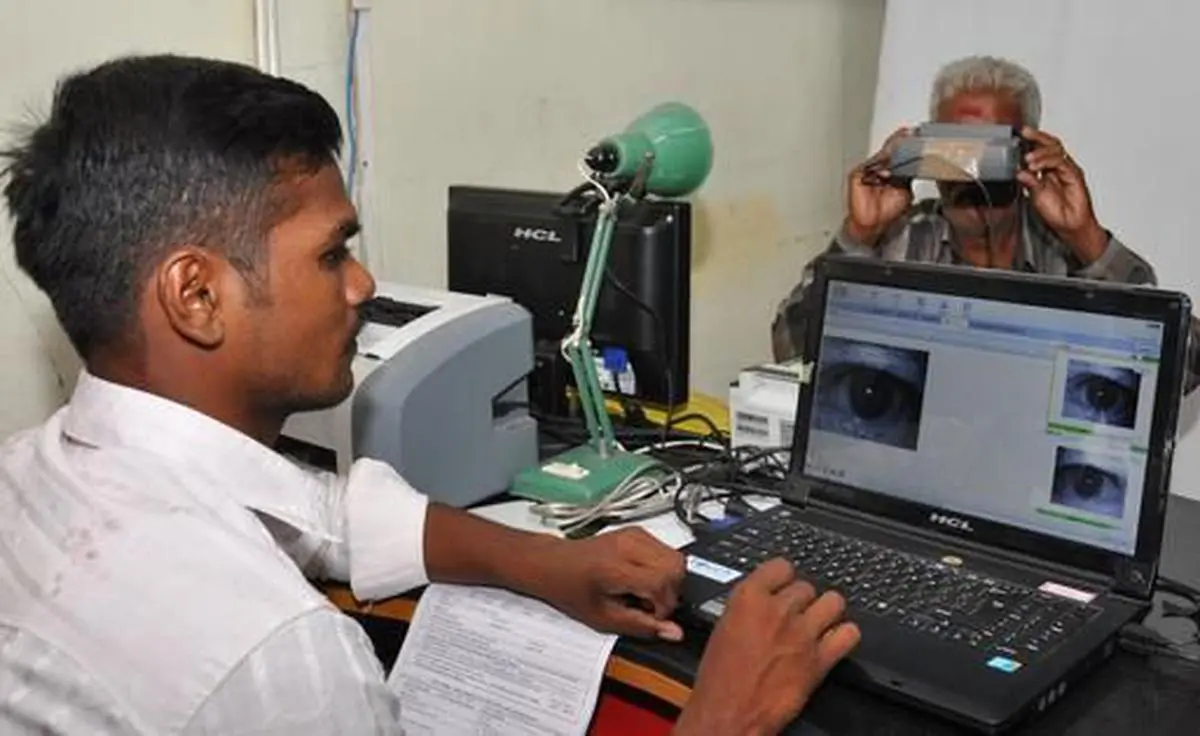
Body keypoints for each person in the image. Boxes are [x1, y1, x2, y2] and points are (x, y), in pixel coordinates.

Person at [0, 55, 860, 735]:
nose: (363, 283)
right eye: (332, 253)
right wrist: (724, 720)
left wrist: (548, 563)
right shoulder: (275, 662)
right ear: (197, 296)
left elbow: (330, 517)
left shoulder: (30, 474)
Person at [771, 54, 1197, 388]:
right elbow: (792, 349)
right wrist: (860, 234)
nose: (972, 172)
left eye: (990, 150)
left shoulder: (1068, 256)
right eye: (954, 149)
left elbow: (1186, 367)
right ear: (925, 149)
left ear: (1029, 152)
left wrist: (1086, 237)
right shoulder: (900, 244)